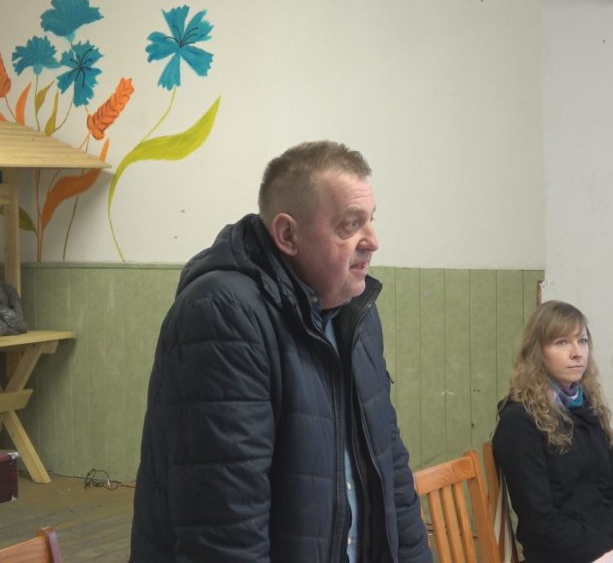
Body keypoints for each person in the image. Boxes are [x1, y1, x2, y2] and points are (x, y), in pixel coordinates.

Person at [129, 141, 432, 563]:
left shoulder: (354, 311)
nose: (372, 241)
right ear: (288, 235)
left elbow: (391, 471)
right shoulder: (222, 314)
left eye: (371, 221)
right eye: (350, 225)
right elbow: (226, 530)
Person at [492, 300, 613, 563]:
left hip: (611, 544)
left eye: (582, 341)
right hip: (564, 553)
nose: (577, 353)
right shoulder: (519, 422)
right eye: (562, 342)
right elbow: (540, 523)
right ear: (537, 352)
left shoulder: (586, 405)